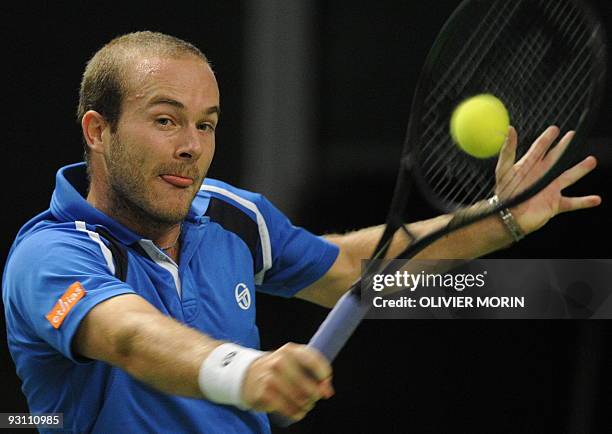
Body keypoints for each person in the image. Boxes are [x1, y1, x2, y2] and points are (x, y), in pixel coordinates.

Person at [2, 31, 601, 434]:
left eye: (206, 125)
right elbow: (131, 336)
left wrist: (501, 216)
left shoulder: (235, 217)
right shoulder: (51, 254)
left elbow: (350, 268)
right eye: (165, 120)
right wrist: (247, 372)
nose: (191, 146)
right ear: (97, 130)